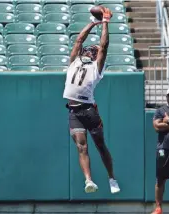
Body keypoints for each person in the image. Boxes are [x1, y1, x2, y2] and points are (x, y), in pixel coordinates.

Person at [62, 7, 120, 194]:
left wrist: (105, 23)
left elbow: (104, 46)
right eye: (89, 48)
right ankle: (89, 181)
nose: (89, 49)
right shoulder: (74, 61)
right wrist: (92, 23)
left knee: (100, 145)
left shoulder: (97, 68)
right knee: (81, 146)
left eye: (93, 49)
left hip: (88, 110)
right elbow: (79, 40)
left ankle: (112, 178)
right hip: (74, 111)